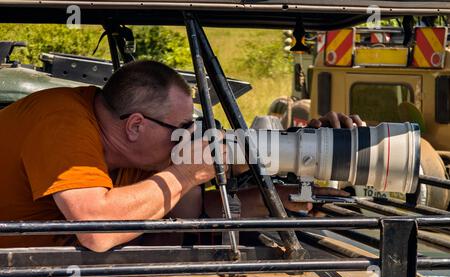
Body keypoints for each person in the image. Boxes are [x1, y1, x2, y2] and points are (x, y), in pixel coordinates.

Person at [0, 60, 362, 252]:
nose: (188, 135)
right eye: (182, 127)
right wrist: (186, 172)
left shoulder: (135, 155)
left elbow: (188, 214)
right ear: (136, 126)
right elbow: (96, 230)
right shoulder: (61, 123)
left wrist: (284, 189)